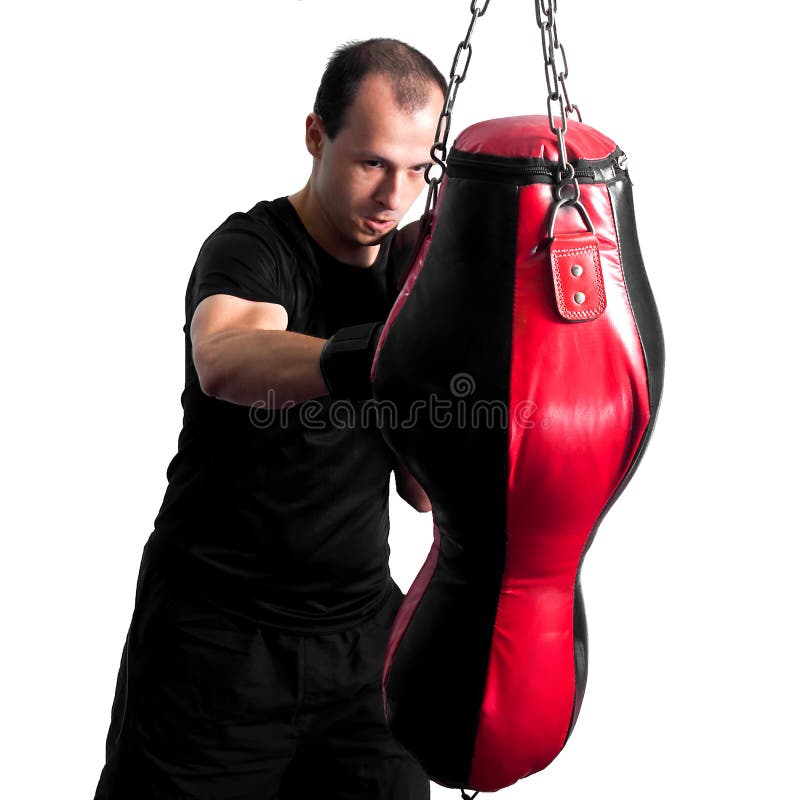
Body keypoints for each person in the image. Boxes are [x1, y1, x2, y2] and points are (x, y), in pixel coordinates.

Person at [93, 37, 446, 800]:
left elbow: (421, 492)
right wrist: (381, 353)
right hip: (216, 645)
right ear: (317, 136)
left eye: (419, 170)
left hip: (359, 645)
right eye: (373, 163)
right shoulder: (252, 250)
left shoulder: (414, 276)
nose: (395, 196)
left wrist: (462, 351)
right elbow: (227, 357)